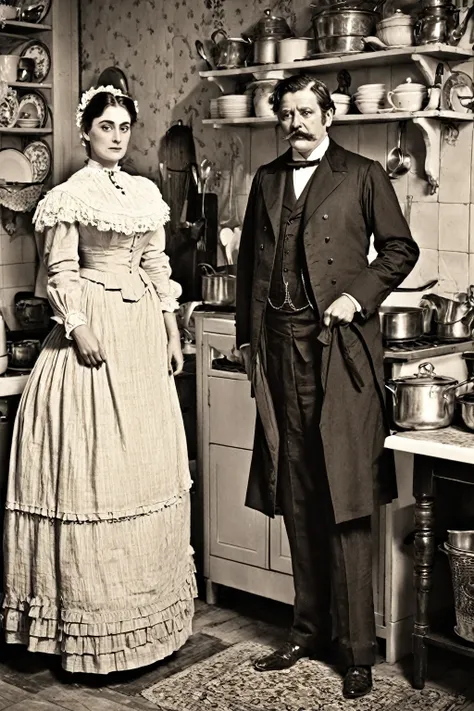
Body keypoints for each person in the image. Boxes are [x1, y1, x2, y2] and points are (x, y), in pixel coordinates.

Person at [236, 74, 419, 700]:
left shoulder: (364, 173)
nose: (297, 123)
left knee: (345, 494)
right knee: (298, 487)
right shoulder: (263, 180)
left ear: (329, 116)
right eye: (286, 114)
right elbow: (247, 270)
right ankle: (307, 628)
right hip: (279, 351)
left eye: (307, 112)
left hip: (338, 352)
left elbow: (400, 249)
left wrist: (355, 297)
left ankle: (358, 651)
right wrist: (245, 340)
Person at [2, 86, 196, 674]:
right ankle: (86, 620)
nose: (117, 135)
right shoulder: (68, 196)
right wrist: (79, 328)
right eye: (105, 126)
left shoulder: (144, 193)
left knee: (144, 467)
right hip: (92, 333)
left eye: (124, 126)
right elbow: (59, 270)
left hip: (141, 335)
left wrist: (170, 330)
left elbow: (156, 266)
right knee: (97, 473)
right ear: (84, 133)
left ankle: (146, 616)